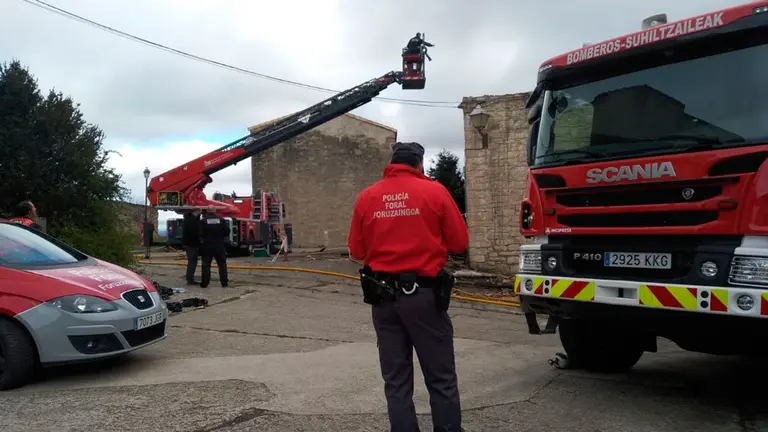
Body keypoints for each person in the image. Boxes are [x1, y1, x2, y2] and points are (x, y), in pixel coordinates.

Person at [347, 142, 469, 432]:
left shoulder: (367, 196)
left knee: (396, 379)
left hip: (383, 300)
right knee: (440, 377)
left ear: (391, 163)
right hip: (424, 297)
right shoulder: (435, 192)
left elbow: (356, 251)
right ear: (420, 164)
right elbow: (460, 244)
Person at [198, 206, 229, 288]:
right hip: (219, 245)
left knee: (206, 265)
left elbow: (200, 233)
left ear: (207, 211)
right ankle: (224, 282)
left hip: (207, 245)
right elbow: (227, 231)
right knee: (222, 264)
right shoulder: (221, 220)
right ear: (215, 211)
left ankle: (205, 283)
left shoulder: (203, 221)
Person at [182, 209, 201, 285]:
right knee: (192, 262)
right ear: (197, 211)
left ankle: (189, 278)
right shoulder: (193, 221)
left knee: (191, 262)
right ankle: (190, 279)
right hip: (192, 244)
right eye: (200, 211)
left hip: (188, 244)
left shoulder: (187, 219)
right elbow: (195, 233)